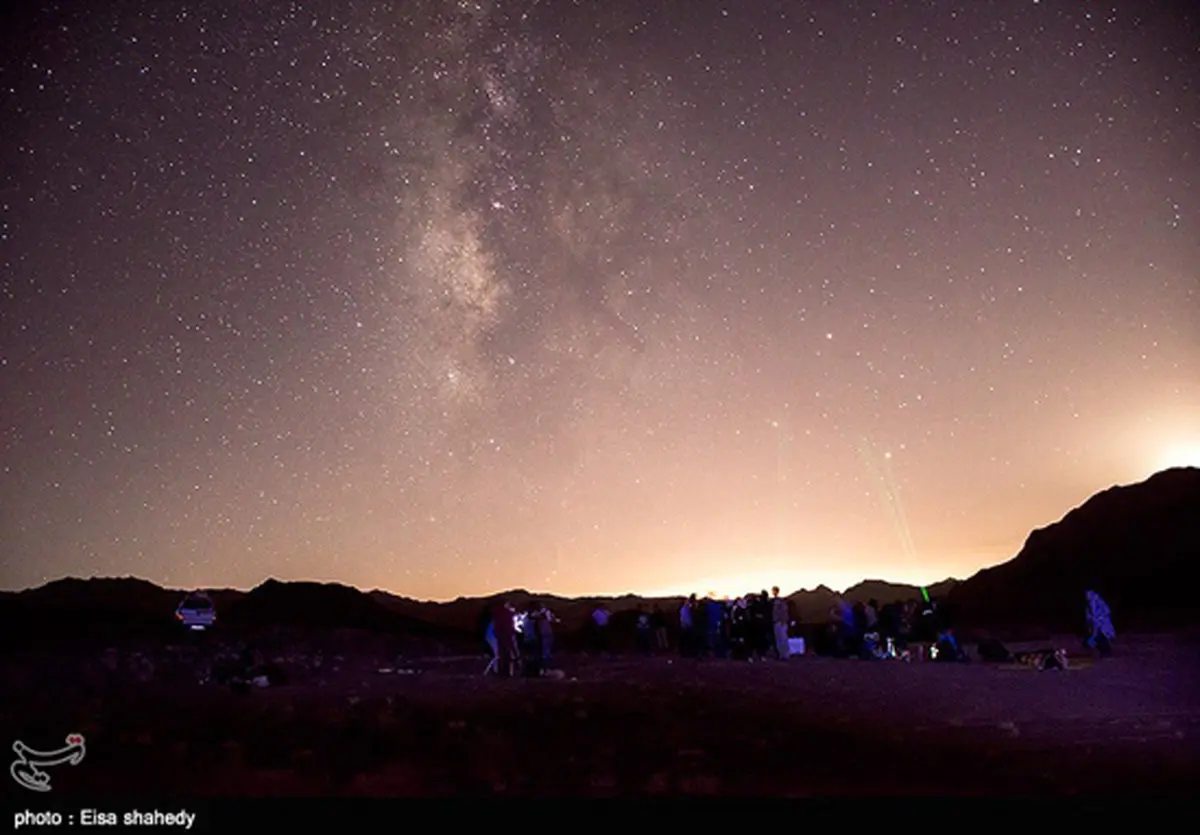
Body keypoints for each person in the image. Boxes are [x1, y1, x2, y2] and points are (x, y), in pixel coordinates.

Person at [1084, 589, 1115, 657]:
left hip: (1102, 624)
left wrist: (1102, 619)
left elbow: (1107, 611)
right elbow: (1089, 616)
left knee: (1102, 638)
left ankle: (1106, 653)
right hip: (1096, 624)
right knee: (1096, 638)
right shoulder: (1089, 605)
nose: (1087, 596)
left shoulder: (1099, 601)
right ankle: (1102, 652)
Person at [771, 587, 791, 660]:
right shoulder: (773, 601)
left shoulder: (781, 601)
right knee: (778, 639)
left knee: (783, 638)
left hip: (781, 622)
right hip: (776, 622)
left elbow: (784, 611)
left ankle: (786, 654)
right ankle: (781, 654)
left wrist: (784, 620)